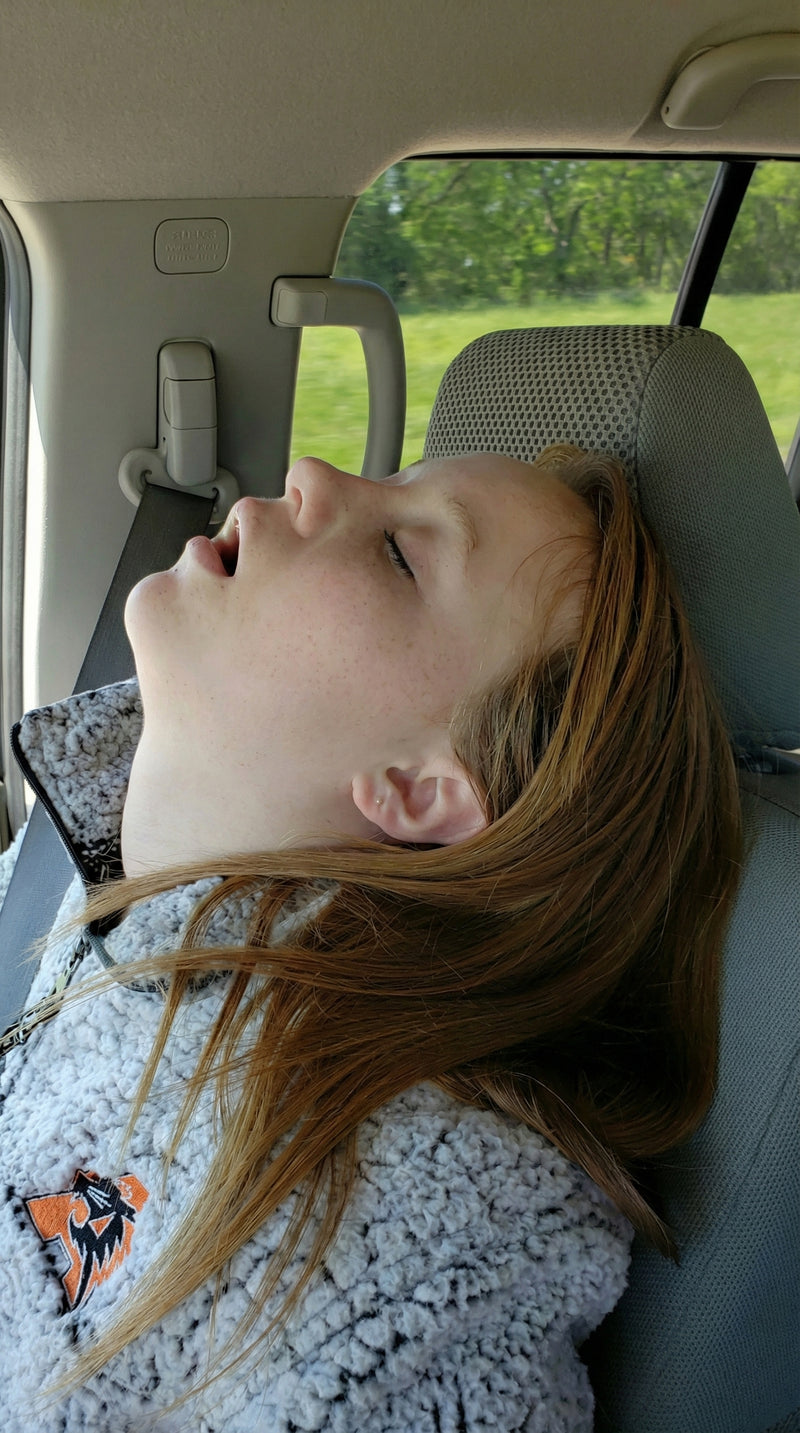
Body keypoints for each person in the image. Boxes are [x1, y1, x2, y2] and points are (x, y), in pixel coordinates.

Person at [0, 445, 742, 1431]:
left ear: (419, 787)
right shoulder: (64, 884)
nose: (311, 469)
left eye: (398, 551)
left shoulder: (423, 1225)